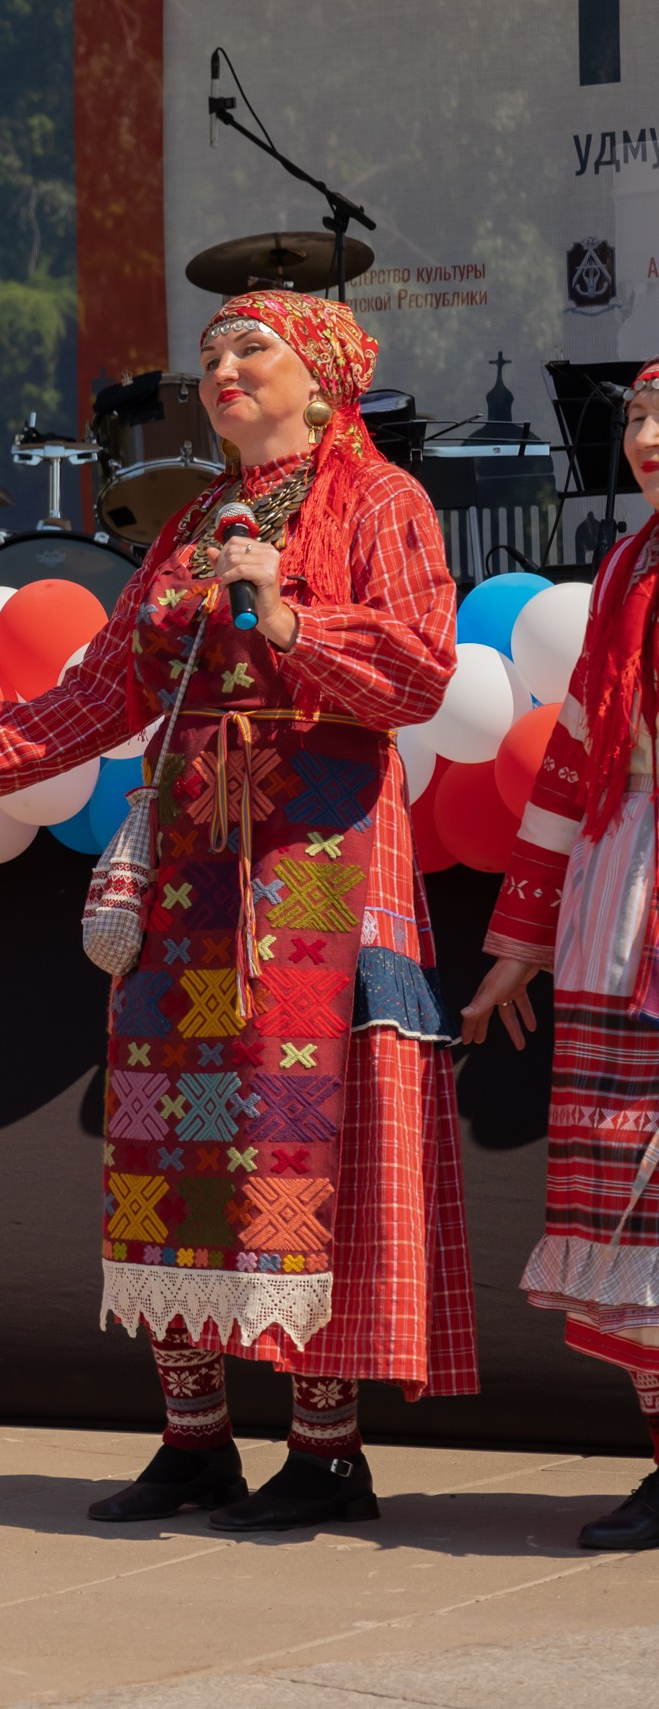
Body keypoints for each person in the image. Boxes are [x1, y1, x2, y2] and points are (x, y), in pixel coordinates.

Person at [0, 289, 476, 1531]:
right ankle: (194, 1437)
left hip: (316, 855)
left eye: (252, 348)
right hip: (186, 865)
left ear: (323, 378)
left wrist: (288, 613)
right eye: (210, 351)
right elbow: (94, 694)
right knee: (170, 1137)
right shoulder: (190, 526)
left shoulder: (381, 502)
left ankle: (327, 1452)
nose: (222, 366)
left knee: (300, 1133)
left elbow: (421, 672)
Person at [463, 358, 659, 1551]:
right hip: (621, 889)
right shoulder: (627, 569)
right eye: (637, 413)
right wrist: (519, 945)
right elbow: (577, 757)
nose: (648, 433)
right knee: (631, 1192)